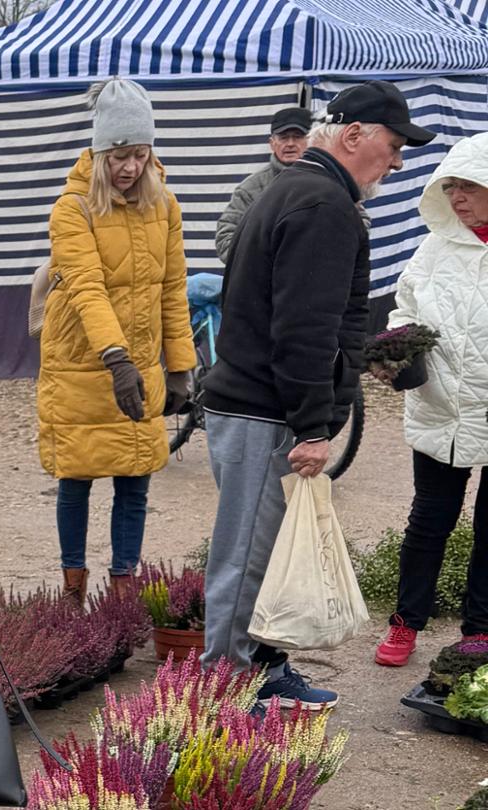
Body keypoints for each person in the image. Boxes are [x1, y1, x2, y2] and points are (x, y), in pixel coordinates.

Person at [201, 80, 432, 707]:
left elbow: (318, 319)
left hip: (252, 402)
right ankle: (216, 700)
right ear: (354, 135)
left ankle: (261, 672)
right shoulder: (321, 204)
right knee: (246, 558)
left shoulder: (301, 190)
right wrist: (311, 426)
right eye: (393, 144)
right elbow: (303, 329)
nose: (398, 160)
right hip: (263, 408)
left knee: (259, 554)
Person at [38, 78, 198, 606]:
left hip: (139, 360)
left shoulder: (165, 205)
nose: (130, 167)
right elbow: (85, 287)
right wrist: (115, 358)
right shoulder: (72, 208)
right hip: (81, 363)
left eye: (140, 154)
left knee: (135, 478)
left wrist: (180, 366)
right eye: (119, 155)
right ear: (100, 151)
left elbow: (173, 288)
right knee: (77, 476)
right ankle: (72, 590)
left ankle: (123, 593)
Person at [373, 133, 488, 667]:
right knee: (429, 521)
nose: (457, 197)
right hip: (440, 404)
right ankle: (405, 624)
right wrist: (397, 346)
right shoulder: (433, 249)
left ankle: (480, 630)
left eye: (468, 186)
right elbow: (403, 308)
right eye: (451, 187)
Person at [215, 107, 312, 267]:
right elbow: (225, 239)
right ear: (272, 143)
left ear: (312, 140)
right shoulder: (250, 189)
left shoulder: (330, 180)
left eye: (297, 137)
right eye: (283, 137)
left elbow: (359, 224)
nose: (290, 144)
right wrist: (266, 263)